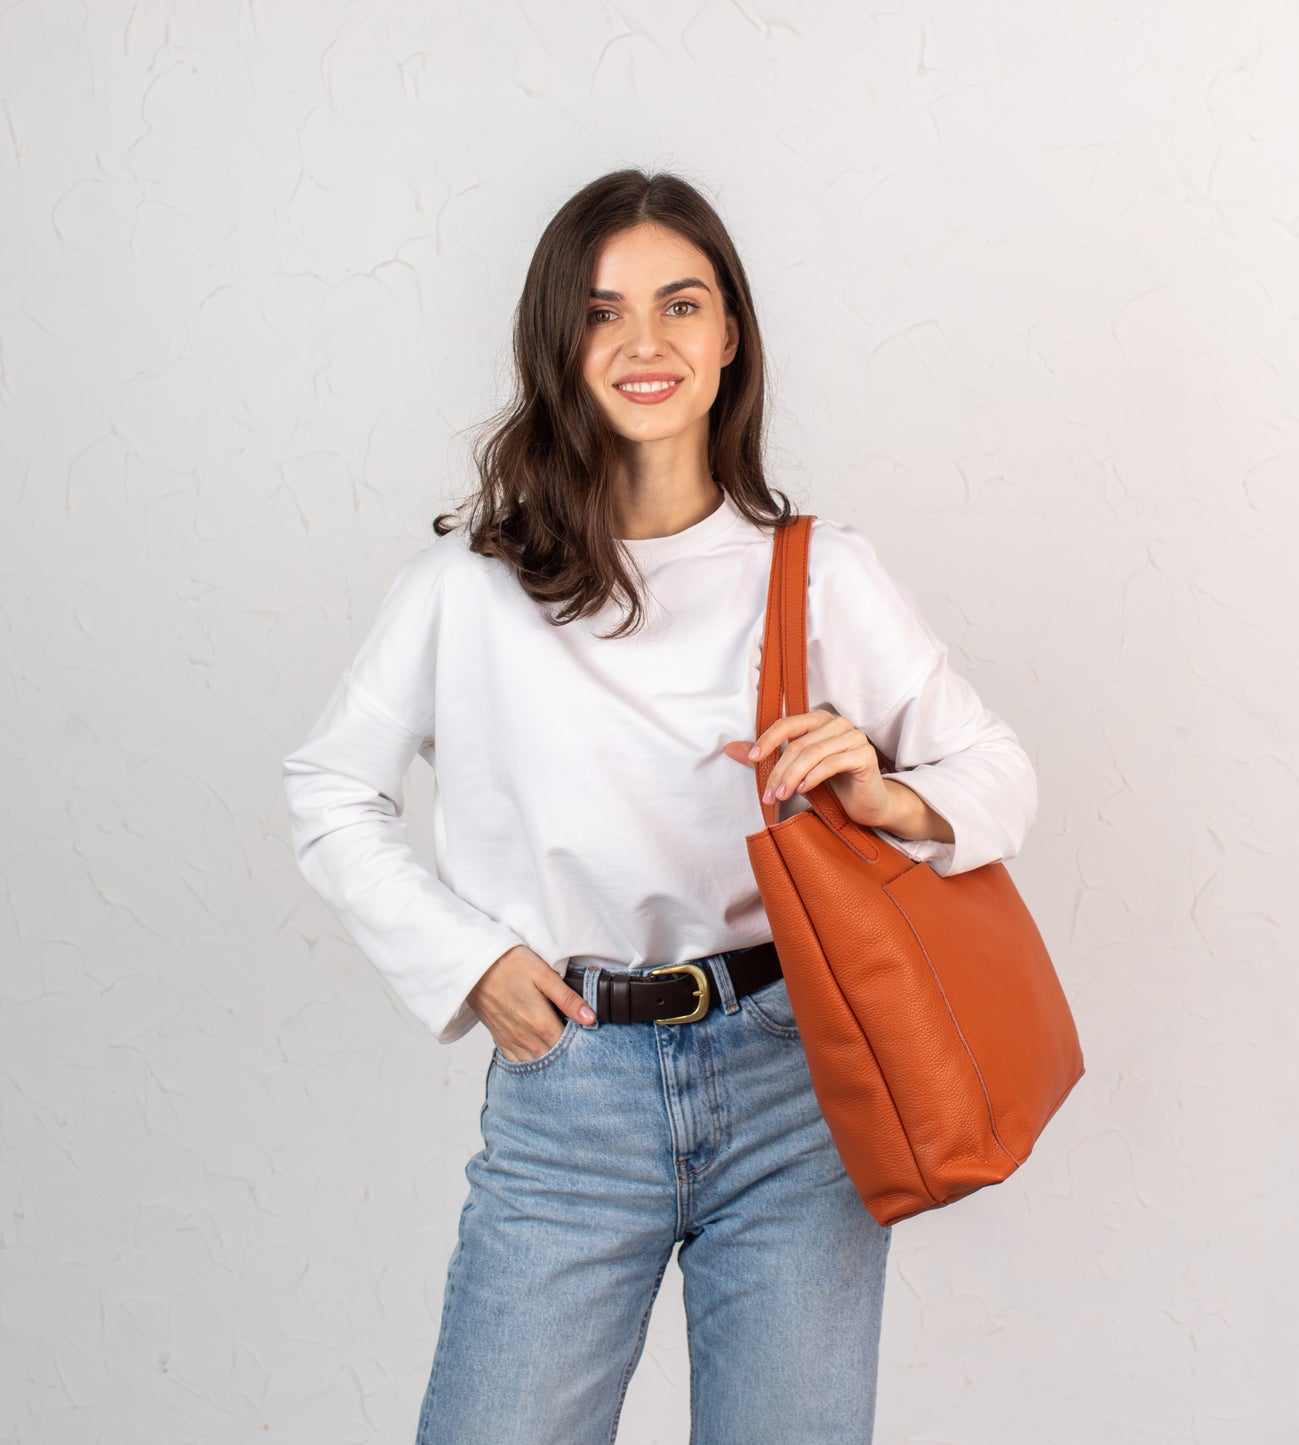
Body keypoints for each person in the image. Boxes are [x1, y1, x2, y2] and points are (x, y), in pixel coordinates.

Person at [281, 168, 1038, 1445]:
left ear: (729, 334)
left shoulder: (819, 572)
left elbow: (996, 774)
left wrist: (882, 791)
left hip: (795, 1078)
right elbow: (329, 788)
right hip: (568, 1088)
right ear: (557, 345)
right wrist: (471, 961)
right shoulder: (470, 588)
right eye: (601, 312)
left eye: (679, 304)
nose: (644, 344)